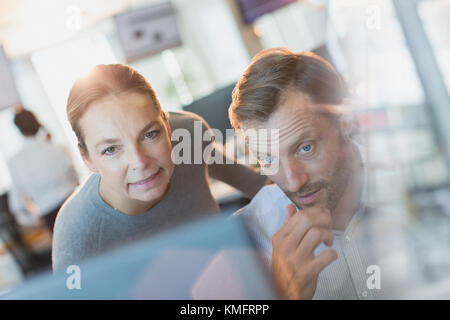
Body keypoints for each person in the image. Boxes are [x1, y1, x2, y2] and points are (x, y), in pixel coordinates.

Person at [52, 64, 267, 272]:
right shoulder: (76, 233)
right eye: (111, 150)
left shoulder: (189, 136)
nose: (139, 162)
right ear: (87, 159)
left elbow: (257, 184)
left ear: (167, 125)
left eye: (150, 135)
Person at [229, 48, 380, 299]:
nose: (293, 182)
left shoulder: (416, 178)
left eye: (305, 148)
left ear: (344, 122)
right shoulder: (250, 238)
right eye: (268, 159)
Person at [7, 106, 79, 233]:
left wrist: (33, 220)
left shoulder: (15, 162)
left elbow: (17, 206)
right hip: (75, 205)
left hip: (50, 218)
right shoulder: (58, 148)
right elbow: (76, 179)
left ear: (18, 129)